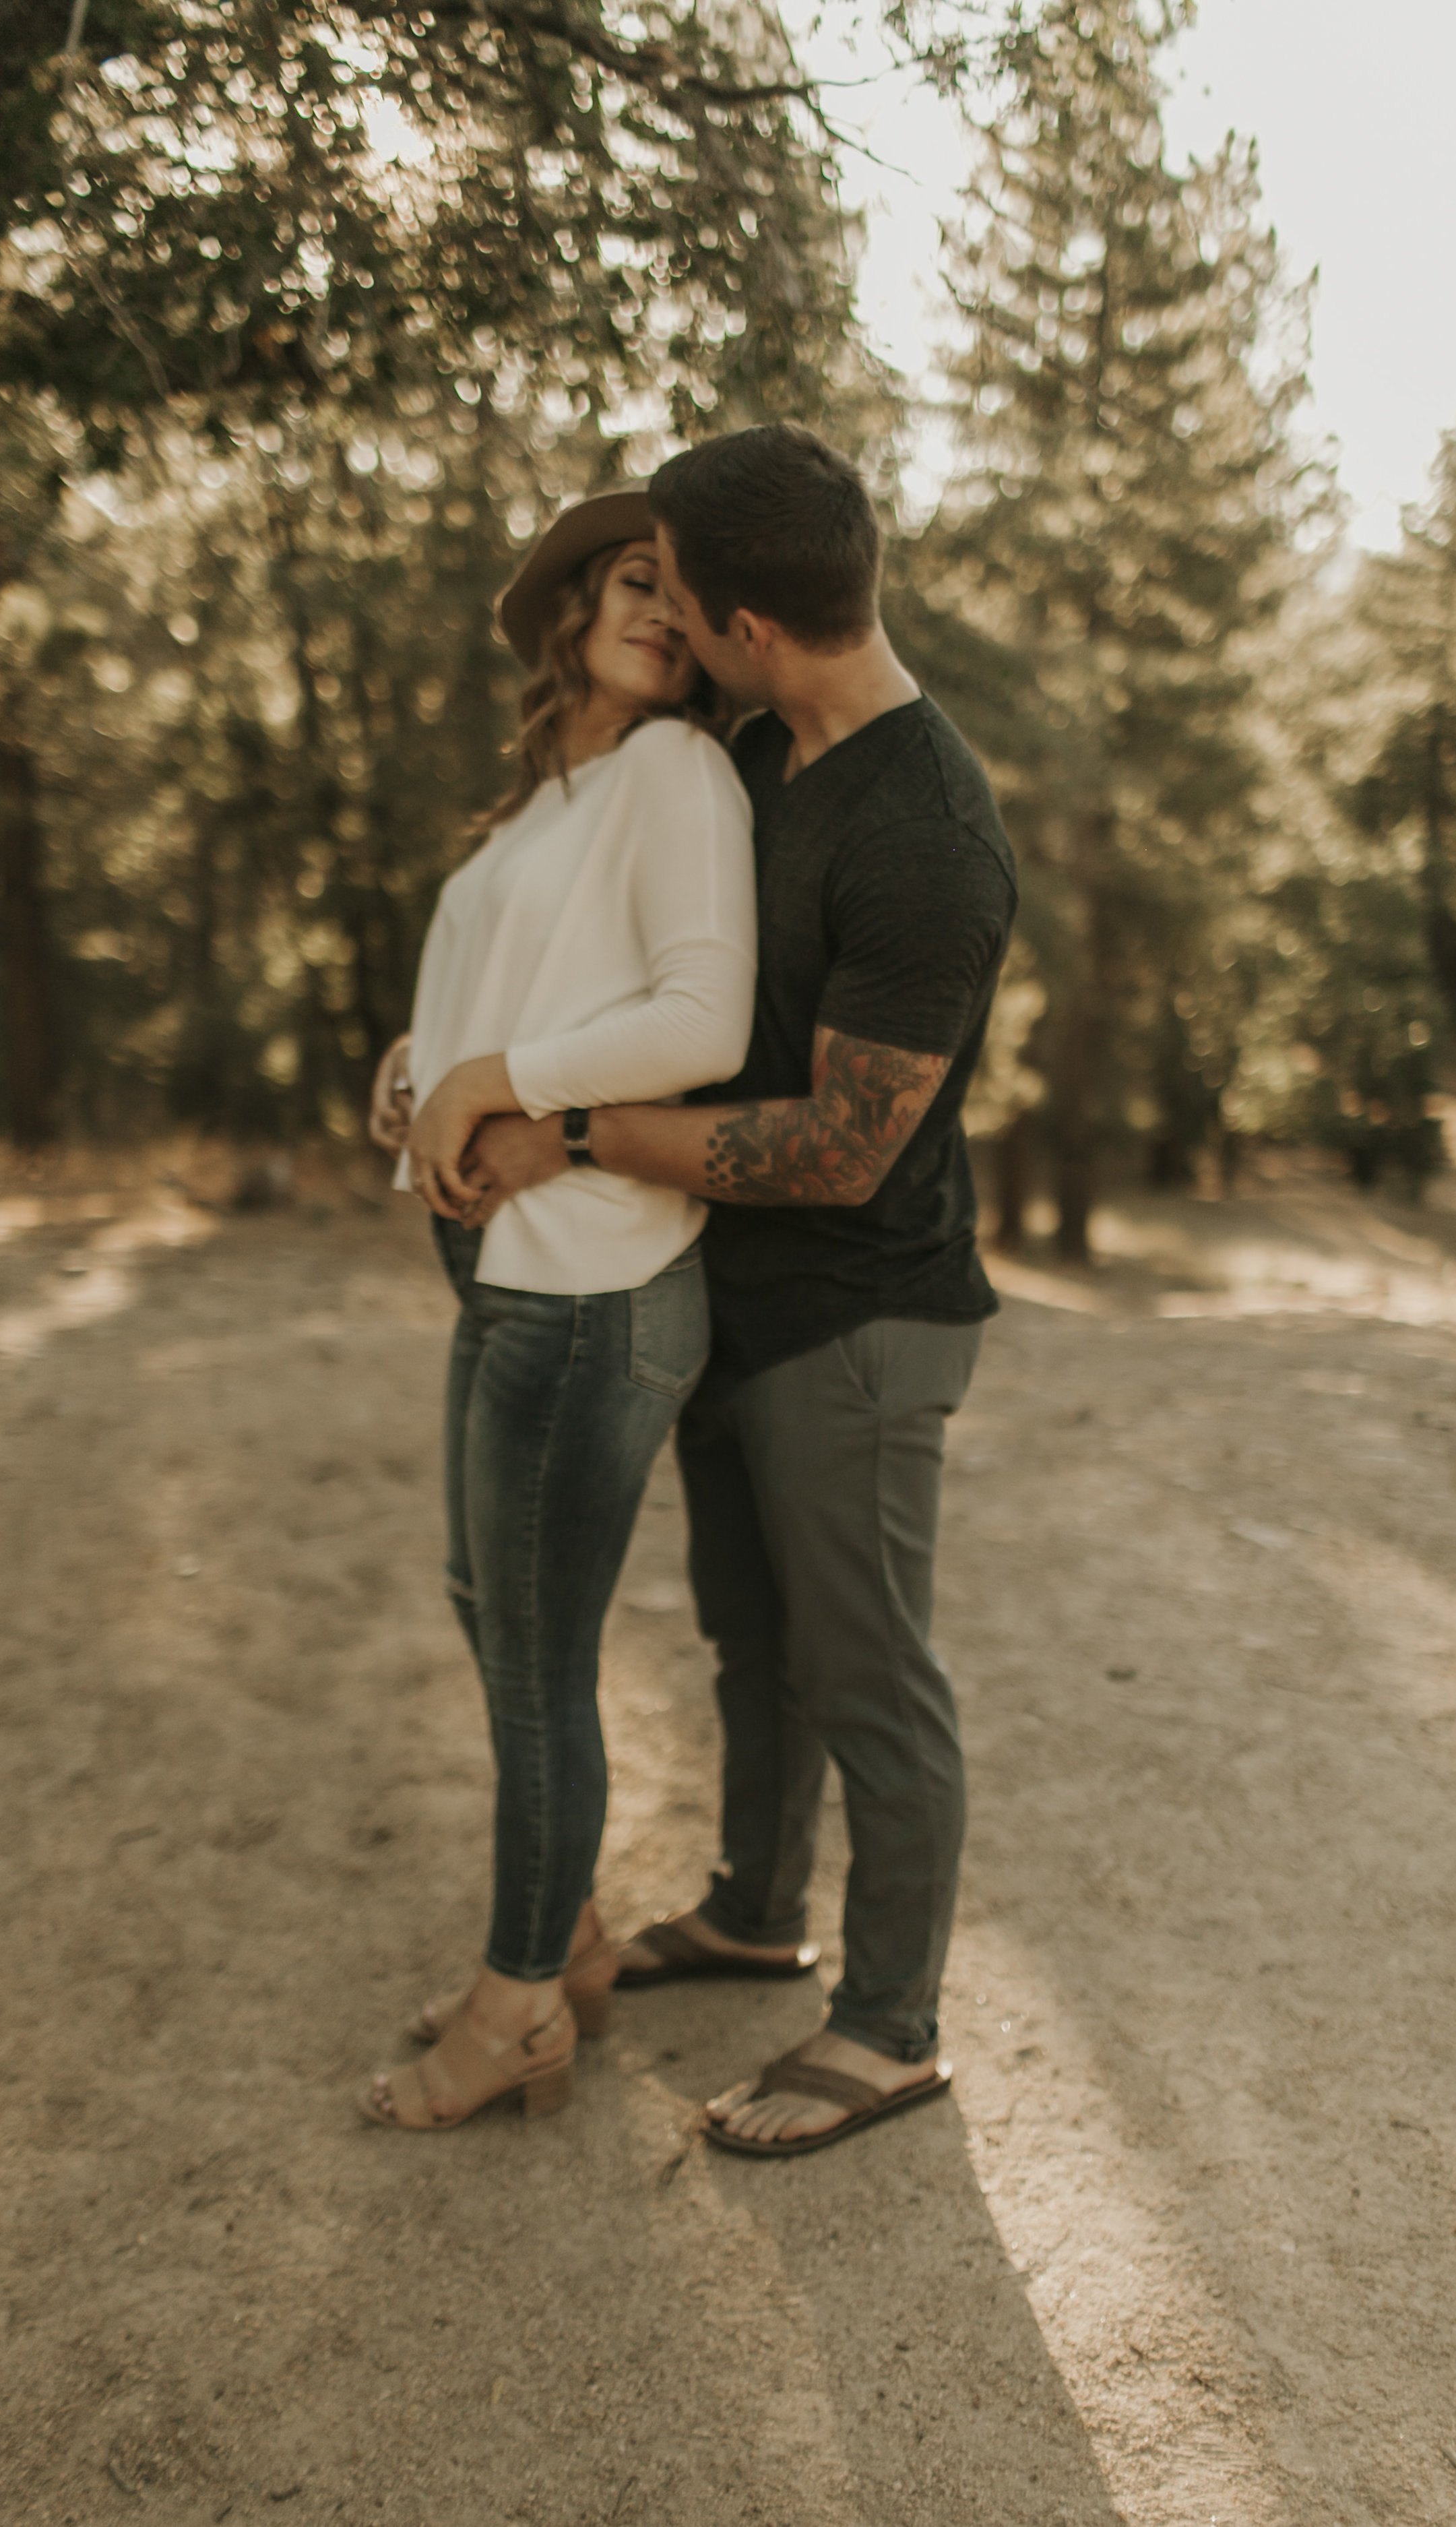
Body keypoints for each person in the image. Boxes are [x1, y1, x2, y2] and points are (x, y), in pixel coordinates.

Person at [458, 423, 1019, 2157]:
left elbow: (846, 1148)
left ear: (757, 624)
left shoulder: (926, 836)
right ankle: (755, 1909)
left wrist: (576, 1126)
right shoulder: (752, 736)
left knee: (866, 1671)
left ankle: (886, 2027)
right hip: (724, 1291)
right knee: (751, 1641)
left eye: (686, 605)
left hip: (860, 1319)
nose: (672, 628)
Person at [357, 487, 757, 2131]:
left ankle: (521, 2005)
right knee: (484, 1602)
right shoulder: (548, 794)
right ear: (579, 601)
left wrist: (498, 1074)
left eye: (688, 594)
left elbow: (701, 1016)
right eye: (636, 580)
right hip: (499, 1263)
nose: (662, 610)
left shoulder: (678, 771)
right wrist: (412, 1070)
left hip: (596, 1268)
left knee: (531, 1661)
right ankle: (569, 1937)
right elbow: (497, 1005)